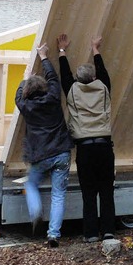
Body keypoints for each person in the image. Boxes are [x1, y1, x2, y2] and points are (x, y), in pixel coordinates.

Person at [56, 33, 116, 243]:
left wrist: (62, 51)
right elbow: (103, 72)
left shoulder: (72, 91)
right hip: (104, 147)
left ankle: (90, 233)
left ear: (78, 80)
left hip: (85, 149)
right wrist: (95, 48)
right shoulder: (103, 88)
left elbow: (65, 74)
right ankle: (108, 231)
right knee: (107, 190)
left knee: (88, 192)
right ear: (94, 78)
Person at [15, 43, 74, 248]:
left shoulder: (26, 106)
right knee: (59, 195)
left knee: (31, 184)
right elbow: (53, 78)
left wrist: (25, 78)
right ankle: (53, 235)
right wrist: (44, 57)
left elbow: (18, 96)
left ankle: (35, 211)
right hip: (61, 153)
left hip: (40, 156)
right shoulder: (53, 98)